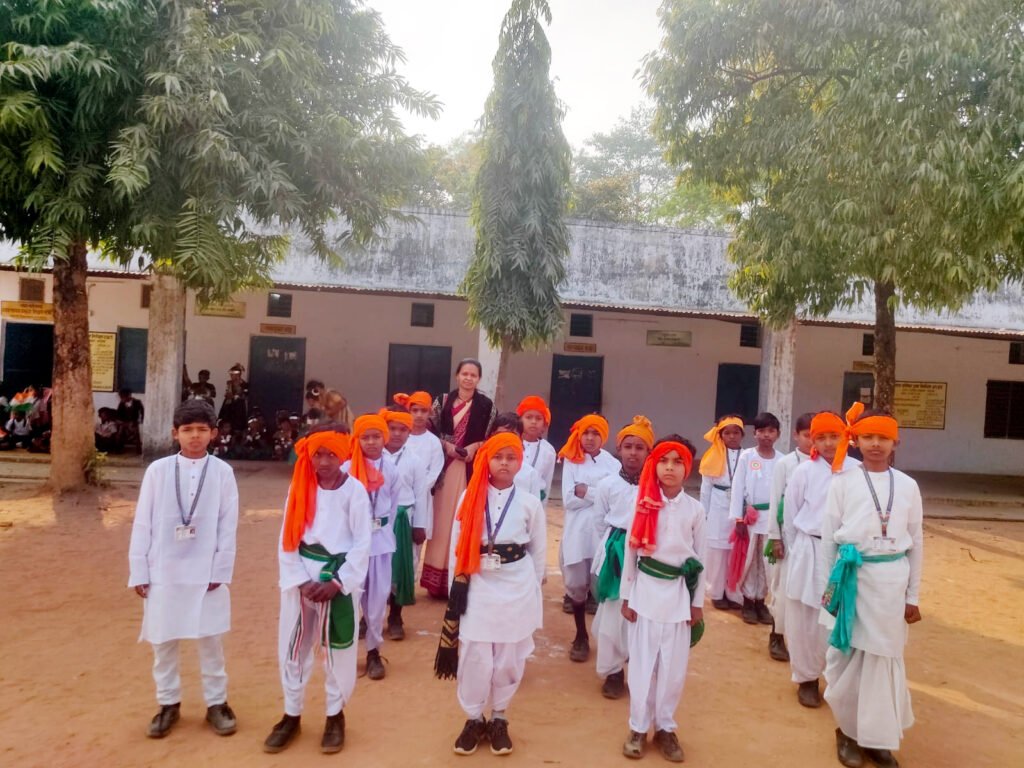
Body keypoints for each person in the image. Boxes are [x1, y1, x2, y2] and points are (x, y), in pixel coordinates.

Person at [127, 400, 239, 739]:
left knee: (210, 639)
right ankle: (168, 703)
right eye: (187, 430)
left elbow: (228, 524)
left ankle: (216, 703)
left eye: (202, 430)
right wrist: (139, 570)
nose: (195, 436)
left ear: (213, 433)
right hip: (163, 568)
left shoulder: (222, 472)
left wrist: (220, 570)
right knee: (163, 640)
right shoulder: (158, 471)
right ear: (175, 433)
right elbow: (143, 522)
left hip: (206, 571)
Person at [819, 405, 923, 768]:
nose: (875, 444)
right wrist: (828, 593)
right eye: (868, 437)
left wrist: (913, 595)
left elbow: (916, 541)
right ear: (855, 440)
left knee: (884, 661)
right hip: (852, 583)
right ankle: (847, 732)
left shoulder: (908, 486)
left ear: (897, 442)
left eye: (883, 437)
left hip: (892, 583)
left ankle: (876, 737)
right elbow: (828, 539)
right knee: (848, 660)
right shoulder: (842, 482)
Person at [433, 432, 546, 757]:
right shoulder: (469, 497)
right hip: (478, 584)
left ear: (519, 462)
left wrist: (532, 588)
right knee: (475, 654)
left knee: (509, 656)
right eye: (498, 457)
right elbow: (457, 546)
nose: (504, 463)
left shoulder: (530, 503)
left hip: (516, 585)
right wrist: (457, 589)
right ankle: (473, 717)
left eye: (511, 458)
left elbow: (538, 551)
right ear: (487, 459)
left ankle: (499, 717)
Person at [263, 424, 371, 755]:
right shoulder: (300, 487)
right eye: (318, 455)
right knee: (295, 646)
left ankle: (334, 715)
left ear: (343, 455)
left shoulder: (355, 491)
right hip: (302, 578)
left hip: (337, 578)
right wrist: (300, 579)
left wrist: (338, 582)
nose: (324, 462)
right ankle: (291, 714)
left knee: (337, 650)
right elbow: (287, 539)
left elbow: (362, 543)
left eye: (331, 455)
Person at [620, 436, 705, 763]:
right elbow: (631, 551)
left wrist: (696, 603)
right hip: (644, 591)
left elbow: (701, 558)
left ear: (688, 468)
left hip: (679, 594)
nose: (670, 468)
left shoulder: (695, 509)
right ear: (654, 466)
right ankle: (638, 727)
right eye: (664, 461)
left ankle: (666, 727)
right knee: (642, 665)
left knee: (673, 667)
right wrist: (627, 596)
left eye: (677, 462)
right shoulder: (641, 502)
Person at [782, 410, 859, 708]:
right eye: (821, 437)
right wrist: (799, 550)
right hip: (808, 549)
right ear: (812, 441)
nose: (828, 443)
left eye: (834, 436)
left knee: (837, 615)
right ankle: (807, 678)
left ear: (845, 438)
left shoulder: (856, 470)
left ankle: (837, 678)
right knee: (804, 618)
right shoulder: (804, 471)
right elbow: (791, 517)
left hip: (843, 553)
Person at [591, 415, 654, 699]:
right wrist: (614, 548)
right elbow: (599, 522)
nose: (633, 453)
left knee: (642, 610)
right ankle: (613, 671)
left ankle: (639, 666)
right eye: (628, 446)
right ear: (619, 449)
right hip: (615, 551)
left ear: (649, 452)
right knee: (612, 611)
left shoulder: (654, 486)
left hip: (646, 552)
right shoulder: (607, 485)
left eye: (639, 448)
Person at [422, 359, 496, 599]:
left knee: (462, 521)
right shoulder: (442, 401)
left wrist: (475, 446)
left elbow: (493, 437)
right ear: (457, 376)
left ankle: (458, 578)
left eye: (473, 375)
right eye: (464, 374)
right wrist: (447, 446)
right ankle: (436, 582)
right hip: (444, 470)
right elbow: (428, 431)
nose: (468, 378)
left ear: (478, 379)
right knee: (442, 522)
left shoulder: (486, 406)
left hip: (469, 470)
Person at [343, 413, 406, 680]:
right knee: (348, 598)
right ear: (357, 439)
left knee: (378, 600)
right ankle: (344, 654)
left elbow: (393, 506)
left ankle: (373, 652)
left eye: (376, 436)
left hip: (380, 542)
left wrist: (382, 531)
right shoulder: (346, 469)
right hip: (351, 545)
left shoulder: (391, 468)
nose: (371, 442)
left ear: (384, 438)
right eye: (365, 437)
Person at [558, 414, 621, 662]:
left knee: (603, 585)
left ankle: (607, 641)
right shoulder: (571, 460)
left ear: (603, 436)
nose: (590, 438)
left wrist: (586, 491)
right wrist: (599, 495)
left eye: (595, 433)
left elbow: (614, 500)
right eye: (586, 433)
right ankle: (580, 635)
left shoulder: (612, 464)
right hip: (576, 532)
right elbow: (568, 499)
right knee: (576, 585)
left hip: (602, 531)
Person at [766, 412, 815, 662]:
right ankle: (777, 635)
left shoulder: (829, 464)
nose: (813, 441)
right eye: (807, 435)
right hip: (788, 536)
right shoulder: (786, 464)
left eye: (817, 436)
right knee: (784, 588)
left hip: (815, 539)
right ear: (796, 435)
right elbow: (776, 500)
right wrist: (775, 537)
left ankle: (805, 644)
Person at [381, 407, 430, 641]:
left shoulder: (414, 460)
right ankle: (368, 618)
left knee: (400, 569)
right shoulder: (373, 456)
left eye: (403, 429)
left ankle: (395, 616)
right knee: (375, 569)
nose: (397, 434)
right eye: (392, 428)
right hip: (377, 522)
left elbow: (421, 494)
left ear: (409, 433)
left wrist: (419, 525)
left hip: (404, 520)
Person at [727, 412, 781, 625]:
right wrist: (738, 519)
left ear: (778, 434)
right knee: (749, 559)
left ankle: (761, 600)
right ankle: (748, 600)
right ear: (754, 433)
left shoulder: (782, 460)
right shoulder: (747, 457)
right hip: (751, 517)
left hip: (772, 518)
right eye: (762, 431)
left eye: (771, 431)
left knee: (767, 561)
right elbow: (738, 486)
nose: (766, 435)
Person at [698, 415, 745, 611]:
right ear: (721, 435)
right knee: (717, 551)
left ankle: (733, 592)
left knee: (737, 552)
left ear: (742, 434)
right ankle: (716, 592)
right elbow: (706, 488)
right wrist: (704, 513)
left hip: (740, 505)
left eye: (736, 432)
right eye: (727, 433)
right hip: (717, 505)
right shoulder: (712, 456)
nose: (732, 436)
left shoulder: (748, 456)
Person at [394, 390, 445, 554]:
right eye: (414, 410)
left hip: (421, 498)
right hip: (394, 497)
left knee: (414, 551)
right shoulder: (399, 438)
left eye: (423, 411)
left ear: (430, 413)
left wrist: (415, 487)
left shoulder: (433, 442)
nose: (419, 415)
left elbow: (434, 472)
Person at [488, 412, 545, 499]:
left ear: (521, 439)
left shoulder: (530, 474)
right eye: (500, 434)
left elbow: (535, 505)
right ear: (491, 437)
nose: (505, 440)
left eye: (512, 435)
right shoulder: (481, 469)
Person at [516, 396, 557, 503]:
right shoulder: (510, 443)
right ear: (519, 420)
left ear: (544, 424)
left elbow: (547, 482)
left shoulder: (548, 451)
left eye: (538, 418)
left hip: (534, 502)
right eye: (528, 417)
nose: (533, 422)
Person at [218, 364, 248, 434]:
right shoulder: (229, 383)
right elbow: (227, 393)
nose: (231, 376)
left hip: (238, 405)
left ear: (238, 374)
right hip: (228, 405)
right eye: (231, 374)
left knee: (237, 422)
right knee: (226, 419)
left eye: (232, 374)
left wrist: (234, 396)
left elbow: (245, 396)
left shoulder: (243, 384)